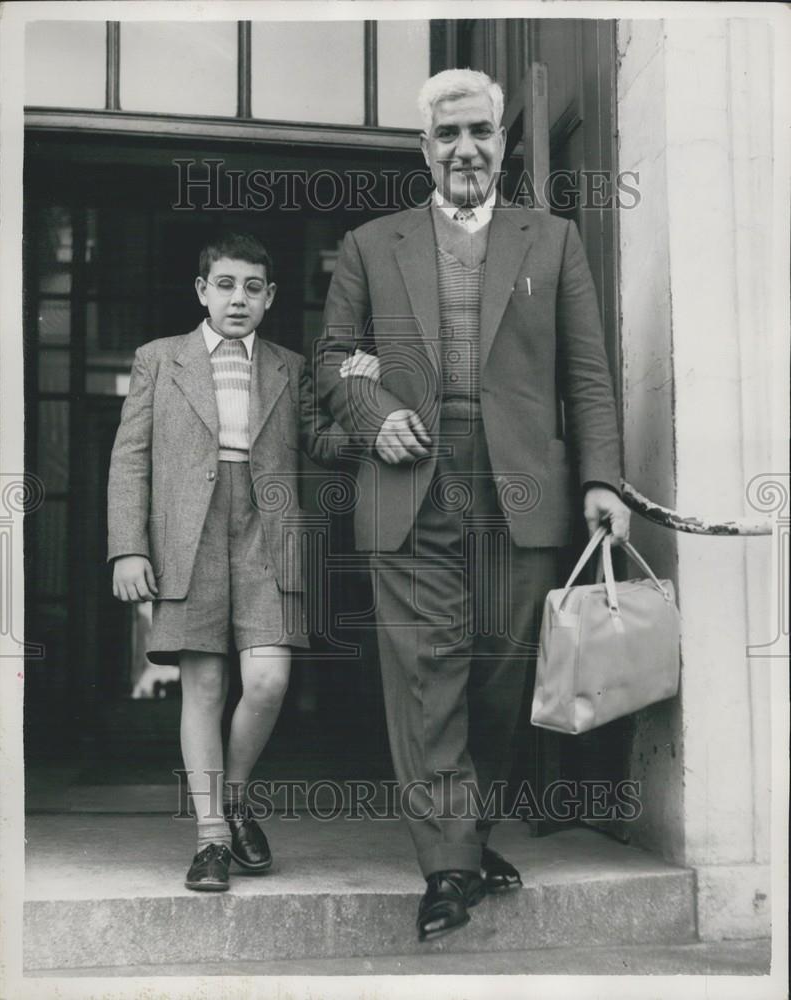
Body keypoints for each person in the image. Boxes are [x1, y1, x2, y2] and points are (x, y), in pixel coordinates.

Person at [317, 68, 631, 941]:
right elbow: (333, 361)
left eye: (480, 133)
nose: (465, 149)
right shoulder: (371, 245)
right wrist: (375, 419)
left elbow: (590, 378)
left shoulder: (554, 240)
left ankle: (469, 830)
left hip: (521, 488)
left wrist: (602, 479)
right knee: (429, 676)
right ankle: (448, 865)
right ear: (425, 147)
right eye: (447, 134)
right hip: (410, 484)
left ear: (503, 143)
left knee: (499, 677)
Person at [107, 232, 346, 892]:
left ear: (268, 299)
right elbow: (130, 460)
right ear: (201, 291)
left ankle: (232, 797)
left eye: (252, 288)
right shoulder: (158, 360)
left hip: (268, 533)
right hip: (191, 534)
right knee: (205, 688)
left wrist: (362, 399)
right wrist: (129, 546)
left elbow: (322, 443)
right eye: (225, 285)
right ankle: (211, 837)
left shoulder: (290, 367)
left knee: (268, 681)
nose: (237, 298)